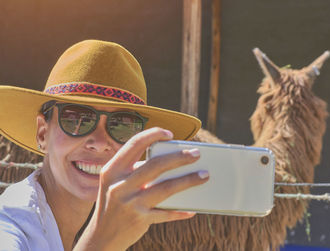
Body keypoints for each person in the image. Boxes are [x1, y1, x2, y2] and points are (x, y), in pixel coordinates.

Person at [0, 40, 209, 250]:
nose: (100, 143)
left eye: (122, 125)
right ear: (43, 133)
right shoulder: (8, 230)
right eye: (77, 119)